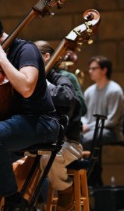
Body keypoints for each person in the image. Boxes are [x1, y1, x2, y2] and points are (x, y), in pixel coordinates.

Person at [0, 10, 60, 211]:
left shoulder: (26, 50)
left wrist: (4, 59)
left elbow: (26, 88)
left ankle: (13, 201)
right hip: (19, 122)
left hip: (42, 121)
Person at [35, 40, 87, 211]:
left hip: (69, 143)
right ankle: (34, 200)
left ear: (46, 57)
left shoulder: (62, 80)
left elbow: (71, 104)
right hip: (44, 141)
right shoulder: (32, 79)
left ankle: (65, 190)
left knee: (47, 157)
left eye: (33, 57)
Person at [81, 55, 124, 186]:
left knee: (86, 139)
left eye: (93, 68)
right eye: (89, 69)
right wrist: (83, 124)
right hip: (93, 129)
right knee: (76, 137)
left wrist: (88, 127)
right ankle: (92, 174)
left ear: (104, 70)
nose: (90, 71)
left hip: (111, 131)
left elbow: (112, 121)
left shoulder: (115, 90)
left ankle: (90, 175)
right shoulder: (89, 91)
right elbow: (84, 114)